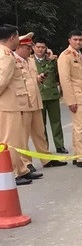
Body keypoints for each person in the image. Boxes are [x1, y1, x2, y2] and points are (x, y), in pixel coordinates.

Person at [14, 33, 65, 173]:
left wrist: (38, 78)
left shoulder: (28, 61)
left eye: (31, 47)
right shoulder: (12, 61)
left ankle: (46, 158)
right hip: (23, 103)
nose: (30, 50)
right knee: (23, 135)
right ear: (18, 47)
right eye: (28, 47)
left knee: (40, 132)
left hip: (36, 101)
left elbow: (30, 79)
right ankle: (26, 162)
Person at [0, 25, 39, 185]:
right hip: (9, 104)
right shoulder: (6, 55)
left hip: (13, 103)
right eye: (17, 37)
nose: (19, 39)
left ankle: (22, 169)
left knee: (19, 140)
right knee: (11, 141)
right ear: (11, 38)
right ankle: (14, 173)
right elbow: (2, 80)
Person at [57, 30, 82, 168]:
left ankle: (77, 154)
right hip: (75, 97)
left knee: (79, 128)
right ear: (69, 40)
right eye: (75, 39)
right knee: (80, 128)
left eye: (80, 39)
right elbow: (65, 80)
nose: (78, 42)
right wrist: (70, 100)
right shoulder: (65, 56)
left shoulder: (79, 55)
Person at [33, 37, 68, 153]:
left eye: (43, 47)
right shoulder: (29, 61)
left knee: (56, 122)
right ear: (33, 47)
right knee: (41, 125)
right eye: (38, 47)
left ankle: (59, 145)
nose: (40, 49)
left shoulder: (52, 60)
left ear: (46, 48)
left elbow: (61, 74)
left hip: (52, 95)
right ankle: (44, 147)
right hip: (38, 96)